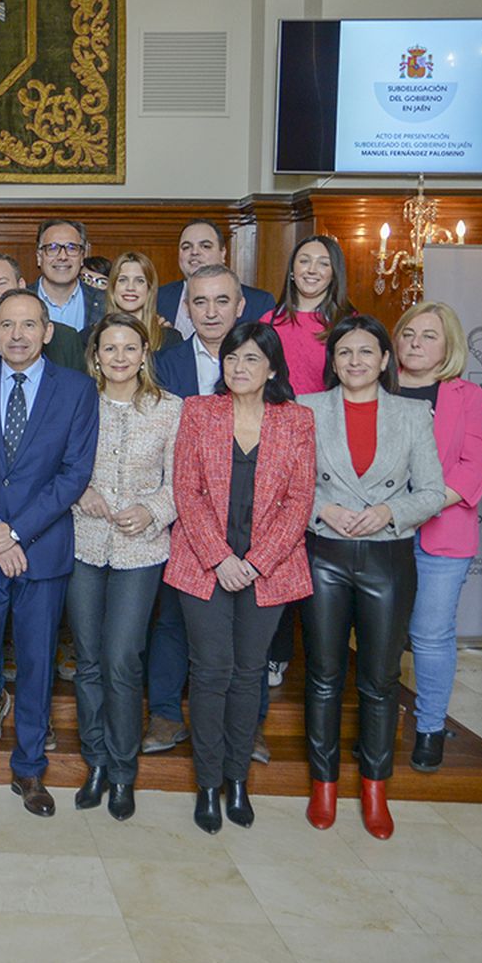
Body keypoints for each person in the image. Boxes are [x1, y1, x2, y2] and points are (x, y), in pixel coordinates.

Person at [166, 322, 315, 832]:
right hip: (203, 564)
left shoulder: (297, 421)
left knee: (249, 674)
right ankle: (208, 782)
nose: (239, 368)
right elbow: (186, 492)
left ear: (272, 368)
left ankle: (237, 780)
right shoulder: (198, 412)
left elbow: (300, 502)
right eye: (231, 358)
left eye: (251, 359)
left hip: (269, 570)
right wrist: (221, 558)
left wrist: (254, 562)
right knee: (210, 672)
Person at [300, 314, 444, 839]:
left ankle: (375, 787)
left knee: (380, 680)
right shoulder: (307, 409)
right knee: (323, 674)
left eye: (366, 352)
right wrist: (324, 510)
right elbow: (288, 484)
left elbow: (431, 491)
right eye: (344, 353)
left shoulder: (412, 413)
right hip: (325, 551)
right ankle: (324, 785)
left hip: (387, 554)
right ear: (332, 362)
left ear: (386, 360)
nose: (355, 361)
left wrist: (388, 512)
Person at [0, 289, 98, 817]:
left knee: (38, 665)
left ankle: (30, 770)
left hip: (42, 550)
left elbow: (74, 474)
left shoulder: (78, 390)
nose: (17, 334)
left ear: (48, 331)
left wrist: (16, 533)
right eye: (7, 325)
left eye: (28, 325)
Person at [67, 314, 180, 822]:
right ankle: (95, 761)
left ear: (143, 354)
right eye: (108, 348)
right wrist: (80, 491)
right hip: (83, 544)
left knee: (121, 658)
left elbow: (182, 482)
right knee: (88, 659)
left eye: (128, 348)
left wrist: (153, 510)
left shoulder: (171, 410)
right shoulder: (75, 402)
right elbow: (54, 466)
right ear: (95, 355)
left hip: (141, 549)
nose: (118, 357)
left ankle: (122, 769)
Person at [145, 263, 250, 755]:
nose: (211, 311)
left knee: (243, 625)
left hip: (247, 515)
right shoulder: (165, 362)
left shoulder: (259, 357)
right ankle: (165, 714)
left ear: (241, 305)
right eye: (200, 302)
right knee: (172, 618)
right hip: (180, 509)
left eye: (221, 301)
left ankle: (241, 725)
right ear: (185, 307)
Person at [394, 302, 482, 772]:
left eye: (428, 336)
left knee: (430, 635)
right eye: (408, 333)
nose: (415, 342)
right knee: (379, 634)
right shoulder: (377, 386)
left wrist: (418, 507)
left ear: (448, 346)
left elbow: (474, 467)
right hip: (380, 534)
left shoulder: (466, 396)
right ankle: (379, 724)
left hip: (442, 534)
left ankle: (429, 727)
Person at [263, 234, 357, 395]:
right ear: (292, 270)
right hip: (274, 415)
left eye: (323, 263)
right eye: (304, 261)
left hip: (327, 415)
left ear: (334, 274)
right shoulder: (269, 321)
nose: (312, 270)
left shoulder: (349, 324)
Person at [155, 219, 275, 339]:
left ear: (223, 253)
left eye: (205, 246)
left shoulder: (259, 303)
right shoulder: (157, 298)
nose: (194, 252)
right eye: (186, 247)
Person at [32, 219, 106, 333]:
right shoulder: (18, 301)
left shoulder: (104, 302)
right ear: (39, 257)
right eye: (52, 248)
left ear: (82, 256)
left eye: (72, 248)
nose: (62, 257)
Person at [106, 252, 181, 351]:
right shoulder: (91, 336)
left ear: (149, 288)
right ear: (112, 286)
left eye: (139, 281)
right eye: (123, 280)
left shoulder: (169, 339)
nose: (130, 287)